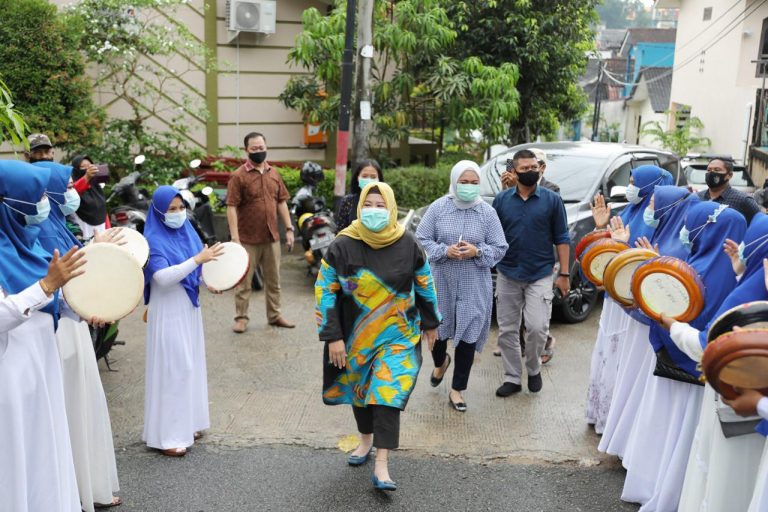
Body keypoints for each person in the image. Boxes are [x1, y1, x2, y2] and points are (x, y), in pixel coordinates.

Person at [620, 202, 747, 511]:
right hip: (708, 375)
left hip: (681, 366)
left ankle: (658, 490)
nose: (686, 232)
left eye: (691, 225)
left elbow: (669, 313)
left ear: (709, 228)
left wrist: (650, 293)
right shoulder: (735, 273)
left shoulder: (697, 270)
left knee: (668, 436)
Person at [315, 182, 440, 491]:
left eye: (380, 205)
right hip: (356, 335)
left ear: (392, 208)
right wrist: (333, 336)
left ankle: (382, 465)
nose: (374, 211)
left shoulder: (408, 243)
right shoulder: (342, 245)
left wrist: (431, 322)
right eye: (367, 205)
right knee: (360, 392)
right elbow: (325, 291)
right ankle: (365, 439)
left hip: (399, 335)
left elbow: (425, 284)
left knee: (387, 393)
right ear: (359, 208)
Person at [32, 160, 122, 510]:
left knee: (80, 405)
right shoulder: (43, 228)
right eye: (65, 187)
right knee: (73, 407)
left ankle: (84, 487)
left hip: (73, 325)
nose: (72, 193)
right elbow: (53, 278)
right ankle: (78, 488)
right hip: (62, 330)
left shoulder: (55, 221)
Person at [0, 159, 85, 512]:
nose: (42, 205)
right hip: (10, 381)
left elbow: (50, 300)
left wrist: (79, 308)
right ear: (9, 202)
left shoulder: (29, 245)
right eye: (33, 197)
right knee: (17, 462)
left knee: (44, 454)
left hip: (41, 372)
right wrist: (47, 285)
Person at [668, 213, 768, 512]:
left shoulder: (748, 297)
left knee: (727, 488)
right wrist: (741, 272)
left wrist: (673, 326)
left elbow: (705, 348)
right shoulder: (752, 286)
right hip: (751, 421)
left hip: (737, 415)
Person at [598, 185, 696, 459]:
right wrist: (622, 244)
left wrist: (654, 264)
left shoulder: (684, 242)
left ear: (670, 207)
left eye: (655, 203)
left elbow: (672, 286)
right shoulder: (657, 232)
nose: (650, 208)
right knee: (631, 384)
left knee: (645, 390)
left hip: (656, 330)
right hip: (638, 322)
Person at [585, 165, 673, 432]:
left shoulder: (659, 219)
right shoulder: (631, 212)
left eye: (635, 183)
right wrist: (600, 228)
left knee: (624, 359)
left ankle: (616, 421)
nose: (630, 187)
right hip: (613, 300)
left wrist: (622, 247)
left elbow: (646, 262)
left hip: (633, 304)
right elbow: (608, 252)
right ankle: (600, 413)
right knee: (607, 353)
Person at [416, 161, 508, 411]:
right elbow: (422, 238)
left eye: (474, 182)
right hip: (442, 283)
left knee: (467, 337)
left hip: (474, 285)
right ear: (454, 181)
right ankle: (441, 361)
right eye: (464, 182)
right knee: (437, 332)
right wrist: (444, 251)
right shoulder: (439, 207)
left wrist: (477, 251)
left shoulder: (487, 213)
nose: (468, 187)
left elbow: (500, 247)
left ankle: (457, 389)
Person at [143, 186, 224, 457]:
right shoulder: (153, 240)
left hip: (188, 307)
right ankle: (168, 436)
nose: (178, 214)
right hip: (168, 309)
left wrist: (209, 281)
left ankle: (189, 423)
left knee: (192, 365)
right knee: (175, 368)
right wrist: (196, 259)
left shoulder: (187, 230)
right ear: (158, 212)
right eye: (171, 209)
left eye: (181, 208)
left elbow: (196, 269)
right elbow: (162, 278)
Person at [493, 149, 570, 397]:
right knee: (507, 330)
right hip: (508, 272)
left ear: (539, 168)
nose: (530, 171)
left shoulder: (552, 199)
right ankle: (513, 377)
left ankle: (533, 368)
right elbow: (493, 236)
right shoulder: (502, 200)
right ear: (513, 172)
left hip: (540, 274)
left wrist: (565, 274)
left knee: (537, 328)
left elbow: (562, 238)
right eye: (524, 169)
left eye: (533, 167)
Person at [227, 132, 295, 332]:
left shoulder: (274, 173)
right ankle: (241, 318)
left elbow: (281, 201)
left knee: (274, 281)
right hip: (247, 239)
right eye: (254, 148)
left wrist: (289, 229)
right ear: (246, 150)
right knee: (243, 282)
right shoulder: (238, 176)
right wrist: (235, 238)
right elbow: (231, 206)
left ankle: (274, 316)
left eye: (261, 147)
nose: (259, 151)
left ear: (266, 147)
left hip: (271, 237)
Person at [697, 157, 760, 224]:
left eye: (717, 170)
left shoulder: (743, 200)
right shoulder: (698, 197)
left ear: (729, 175)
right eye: (709, 170)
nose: (711, 173)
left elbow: (759, 226)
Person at [336, 159, 384, 231]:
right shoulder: (348, 201)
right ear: (358, 177)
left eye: (373, 177)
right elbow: (340, 230)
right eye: (364, 176)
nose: (369, 180)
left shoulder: (386, 200)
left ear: (379, 179)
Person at [70, 155, 110, 241]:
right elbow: (73, 193)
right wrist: (86, 177)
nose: (87, 170)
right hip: (83, 233)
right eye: (83, 167)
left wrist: (108, 229)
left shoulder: (96, 188)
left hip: (102, 232)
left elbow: (103, 211)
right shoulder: (71, 188)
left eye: (90, 167)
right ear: (76, 170)